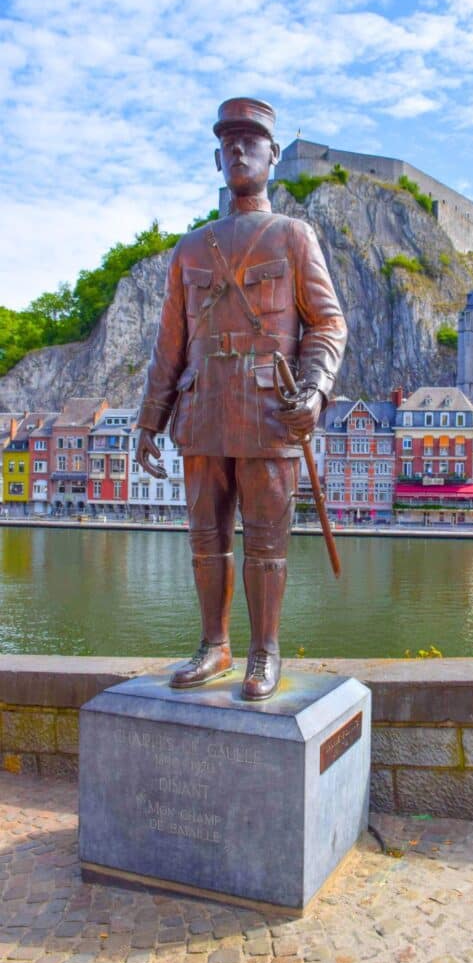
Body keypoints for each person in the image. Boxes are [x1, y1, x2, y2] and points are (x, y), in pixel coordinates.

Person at [135, 98, 346, 700]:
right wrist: (150, 422)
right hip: (201, 414)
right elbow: (168, 347)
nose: (237, 149)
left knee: (267, 543)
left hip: (267, 414)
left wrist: (316, 388)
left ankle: (264, 651)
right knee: (206, 540)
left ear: (273, 156)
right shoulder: (190, 249)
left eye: (250, 140)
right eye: (228, 141)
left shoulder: (294, 236)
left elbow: (328, 325)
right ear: (216, 156)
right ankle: (214, 644)